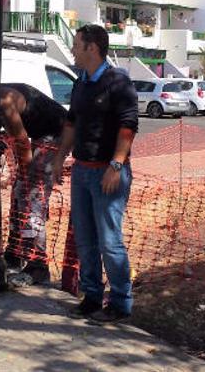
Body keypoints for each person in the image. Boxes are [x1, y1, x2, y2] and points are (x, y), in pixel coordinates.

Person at [52, 24, 138, 324]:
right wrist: (60, 158)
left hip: (108, 173)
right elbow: (72, 124)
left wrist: (115, 166)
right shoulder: (81, 83)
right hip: (82, 172)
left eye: (76, 44)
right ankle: (91, 297)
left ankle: (120, 303)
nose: (73, 50)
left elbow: (128, 127)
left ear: (92, 48)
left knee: (109, 241)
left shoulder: (118, 82)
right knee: (85, 239)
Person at [0, 83, 67, 285]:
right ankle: (15, 253)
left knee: (31, 198)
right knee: (20, 195)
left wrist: (26, 176)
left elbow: (22, 142)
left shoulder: (3, 102)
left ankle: (38, 266)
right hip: (41, 134)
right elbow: (15, 137)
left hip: (56, 133)